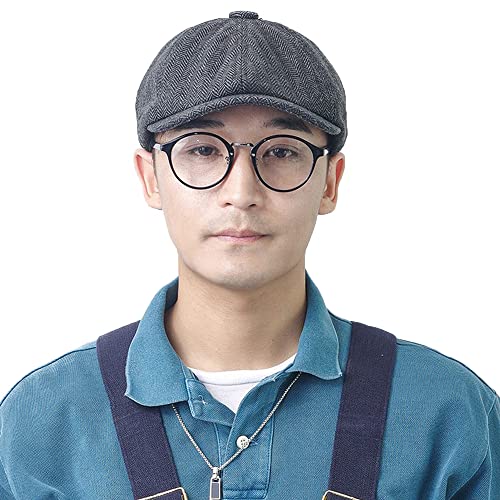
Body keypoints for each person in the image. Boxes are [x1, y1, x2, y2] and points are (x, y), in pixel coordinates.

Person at [0, 10, 498, 500]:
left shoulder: (447, 414)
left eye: (281, 151)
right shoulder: (41, 424)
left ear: (330, 182)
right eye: (202, 150)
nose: (241, 193)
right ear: (150, 177)